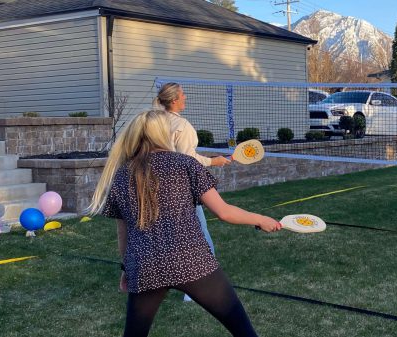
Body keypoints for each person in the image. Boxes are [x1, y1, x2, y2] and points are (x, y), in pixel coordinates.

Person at [89, 109, 281, 337]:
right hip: (192, 260)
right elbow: (224, 212)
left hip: (144, 266)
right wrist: (260, 219)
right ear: (164, 133)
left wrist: (127, 268)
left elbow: (124, 232)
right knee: (244, 332)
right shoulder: (185, 164)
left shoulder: (122, 174)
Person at [154, 84, 229, 250]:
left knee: (164, 232)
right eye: (183, 94)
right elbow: (187, 160)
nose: (185, 97)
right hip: (181, 187)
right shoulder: (182, 126)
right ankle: (208, 267)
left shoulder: (154, 121)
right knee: (199, 231)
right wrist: (213, 161)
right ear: (174, 100)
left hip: (156, 184)